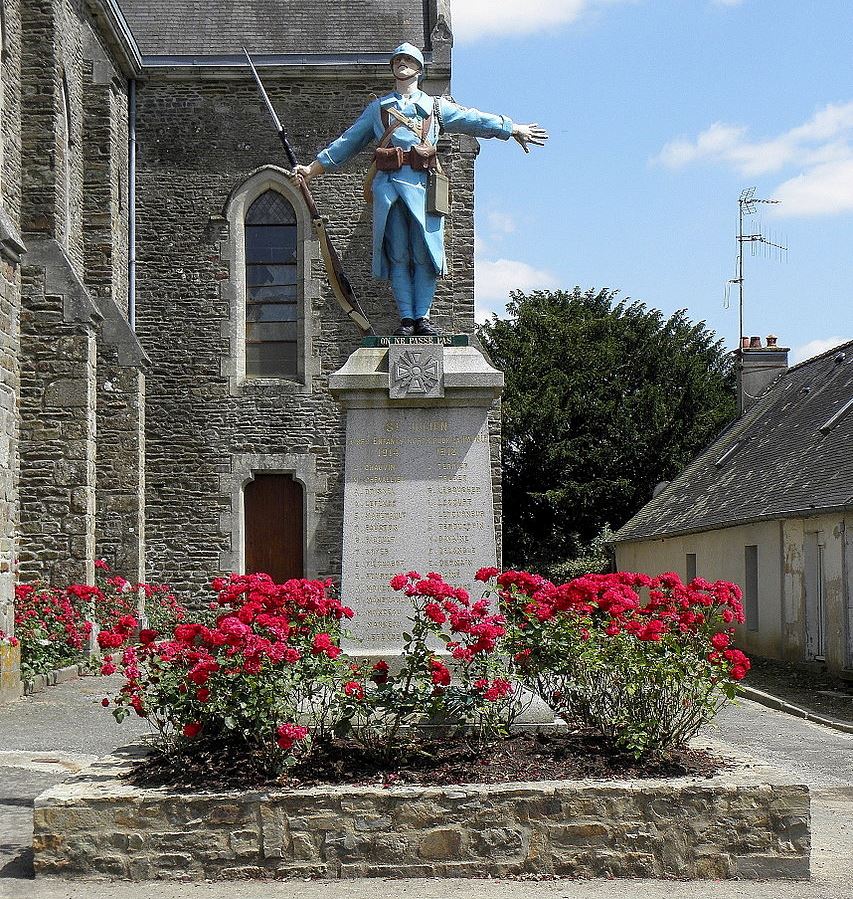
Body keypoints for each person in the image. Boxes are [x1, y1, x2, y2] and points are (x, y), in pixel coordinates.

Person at [290, 42, 548, 336]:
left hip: (424, 188)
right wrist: (312, 169)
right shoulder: (379, 109)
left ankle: (423, 318)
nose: (402, 62)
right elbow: (347, 142)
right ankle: (407, 319)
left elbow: (473, 120)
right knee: (398, 254)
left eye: (408, 59)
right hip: (389, 189)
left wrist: (511, 128)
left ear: (418, 68)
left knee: (426, 254)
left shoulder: (435, 107)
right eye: (397, 59)